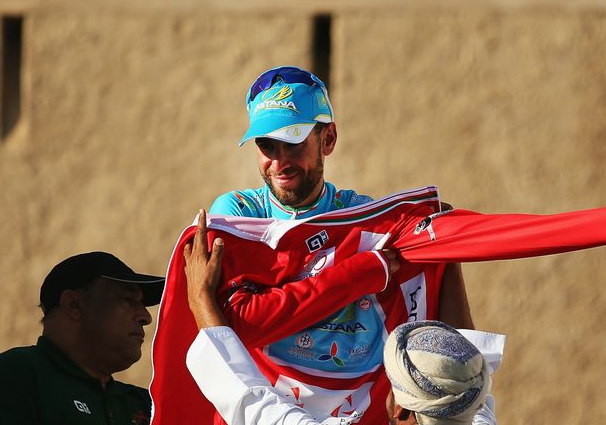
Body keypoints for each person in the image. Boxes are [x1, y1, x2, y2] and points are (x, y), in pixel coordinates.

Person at [202, 66, 474, 422]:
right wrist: (364, 271)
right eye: (266, 145)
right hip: (269, 410)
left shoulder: (364, 216)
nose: (279, 161)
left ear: (327, 140)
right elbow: (241, 323)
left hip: (359, 410)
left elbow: (443, 322)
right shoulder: (239, 212)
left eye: (293, 141)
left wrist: (445, 242)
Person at [182, 212, 505, 425]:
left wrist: (200, 298)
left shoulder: (476, 409)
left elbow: (248, 397)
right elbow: (471, 370)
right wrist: (443, 251)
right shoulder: (472, 414)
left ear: (400, 409)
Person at [0, 251, 165, 425]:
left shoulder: (145, 404)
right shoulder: (17, 376)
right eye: (128, 300)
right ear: (73, 305)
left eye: (143, 305)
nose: (145, 317)